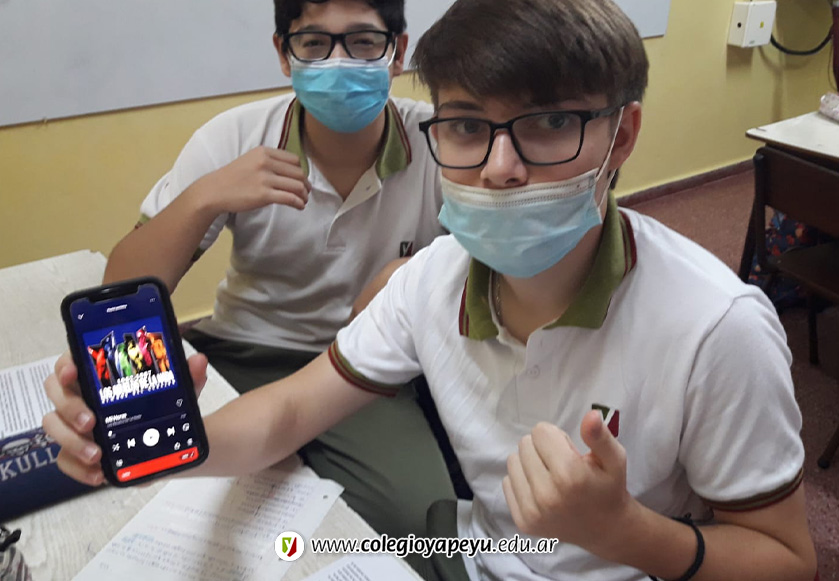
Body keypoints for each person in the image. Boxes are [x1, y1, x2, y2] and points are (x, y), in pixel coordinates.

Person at [44, 0, 818, 579]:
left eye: (548, 123)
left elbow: (787, 559)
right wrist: (170, 445)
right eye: (468, 127)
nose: (499, 168)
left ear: (621, 135)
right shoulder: (428, 281)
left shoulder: (716, 326)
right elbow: (288, 410)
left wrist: (624, 531)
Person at [93, 0, 458, 562]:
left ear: (398, 51)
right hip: (240, 350)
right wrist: (203, 198)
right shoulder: (235, 136)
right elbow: (118, 289)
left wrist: (411, 274)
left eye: (363, 42)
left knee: (422, 530)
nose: (338, 63)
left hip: (368, 367)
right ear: (284, 55)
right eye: (314, 43)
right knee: (130, 504)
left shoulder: (441, 143)